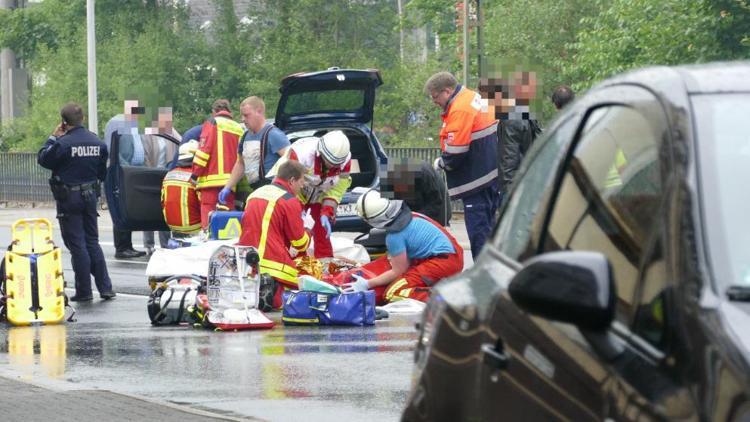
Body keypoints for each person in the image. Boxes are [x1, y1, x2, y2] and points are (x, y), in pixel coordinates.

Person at [37, 103, 116, 301]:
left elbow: (44, 159)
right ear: (82, 119)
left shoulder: (63, 143)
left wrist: (53, 137)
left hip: (69, 198)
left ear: (64, 122)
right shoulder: (97, 142)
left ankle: (84, 291)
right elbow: (101, 172)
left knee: (77, 244)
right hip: (90, 196)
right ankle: (105, 288)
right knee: (92, 241)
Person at [424, 71, 500, 258]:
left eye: (436, 97)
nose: (435, 102)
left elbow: (456, 151)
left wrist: (442, 162)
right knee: (491, 230)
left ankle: (482, 277)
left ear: (447, 92)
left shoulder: (460, 108)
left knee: (479, 232)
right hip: (490, 175)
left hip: (477, 181)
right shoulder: (471, 97)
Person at [344, 189, 463, 304]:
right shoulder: (413, 215)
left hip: (442, 262)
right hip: (454, 254)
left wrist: (367, 284)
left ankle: (446, 299)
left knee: (393, 292)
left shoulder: (395, 237)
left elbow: (399, 270)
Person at [238, 160, 310, 308]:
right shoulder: (289, 200)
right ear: (291, 181)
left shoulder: (255, 194)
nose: (303, 186)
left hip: (246, 261)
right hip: (273, 267)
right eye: (301, 181)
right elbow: (299, 243)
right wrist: (309, 228)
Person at [269, 130, 352, 258]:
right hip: (295, 190)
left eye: (335, 165)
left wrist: (327, 211)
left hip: (319, 193)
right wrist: (296, 207)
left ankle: (325, 265)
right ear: (320, 153)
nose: (330, 167)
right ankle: (294, 263)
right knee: (295, 232)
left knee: (322, 231)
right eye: (328, 162)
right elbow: (288, 185)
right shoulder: (301, 154)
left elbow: (337, 189)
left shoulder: (345, 160)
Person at [479, 71, 542, 202]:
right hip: (528, 181)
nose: (485, 102)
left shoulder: (509, 119)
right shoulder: (523, 111)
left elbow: (509, 158)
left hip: (515, 187)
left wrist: (508, 194)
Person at [218, 96, 290, 205]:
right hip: (256, 191)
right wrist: (228, 187)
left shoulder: (274, 134)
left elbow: (291, 161)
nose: (243, 119)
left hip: (274, 193)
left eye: (246, 115)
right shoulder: (245, 136)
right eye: (242, 115)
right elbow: (241, 164)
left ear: (259, 112)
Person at [103, 99, 147, 259]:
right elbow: (112, 148)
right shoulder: (116, 122)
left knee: (128, 208)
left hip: (131, 171)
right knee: (120, 207)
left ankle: (128, 246)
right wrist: (123, 167)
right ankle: (121, 247)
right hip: (119, 170)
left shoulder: (133, 125)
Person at [191, 99, 244, 229]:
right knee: (226, 224)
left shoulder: (212, 123)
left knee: (208, 223)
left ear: (214, 111)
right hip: (230, 184)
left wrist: (194, 175)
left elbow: (204, 152)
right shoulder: (238, 128)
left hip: (210, 183)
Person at [143, 107, 181, 254]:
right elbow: (146, 155)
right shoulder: (149, 134)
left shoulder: (172, 133)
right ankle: (149, 245)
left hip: (166, 174)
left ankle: (165, 244)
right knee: (149, 211)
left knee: (164, 210)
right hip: (151, 173)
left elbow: (181, 143)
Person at [380, 158, 451, 226]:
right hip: (421, 203)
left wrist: (412, 218)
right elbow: (390, 205)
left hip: (439, 212)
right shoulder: (387, 174)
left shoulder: (423, 173)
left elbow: (436, 204)